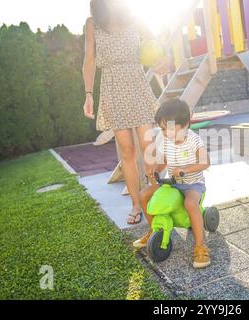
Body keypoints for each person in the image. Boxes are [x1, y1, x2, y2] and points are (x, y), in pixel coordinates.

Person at [82, 0, 168, 224]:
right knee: (127, 151)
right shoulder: (92, 24)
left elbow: (156, 44)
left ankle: (156, 196)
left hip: (136, 84)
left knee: (147, 146)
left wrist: (161, 61)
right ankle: (136, 204)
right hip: (112, 87)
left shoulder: (135, 18)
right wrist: (88, 93)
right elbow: (89, 60)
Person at [133, 99, 212, 269]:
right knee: (144, 195)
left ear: (185, 125)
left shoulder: (194, 141)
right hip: (171, 183)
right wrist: (155, 169)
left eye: (169, 128)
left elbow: (205, 163)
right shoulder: (166, 141)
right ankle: (154, 230)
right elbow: (164, 162)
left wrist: (185, 169)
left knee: (190, 203)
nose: (166, 133)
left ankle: (200, 246)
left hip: (192, 184)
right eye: (162, 129)